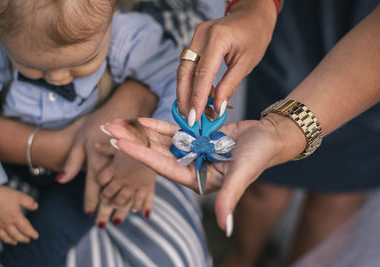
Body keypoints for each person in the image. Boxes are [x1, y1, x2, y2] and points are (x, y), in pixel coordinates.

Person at [104, 1, 380, 265]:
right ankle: (243, 257)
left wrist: (279, 132)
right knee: (265, 188)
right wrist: (255, 6)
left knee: (337, 195)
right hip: (292, 26)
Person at [0, 0, 211, 266]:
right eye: (34, 67)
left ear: (113, 15)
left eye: (82, 63)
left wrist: (149, 151)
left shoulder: (131, 37)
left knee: (59, 224)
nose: (58, 78)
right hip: (3, 158)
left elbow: (179, 82)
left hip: (92, 166)